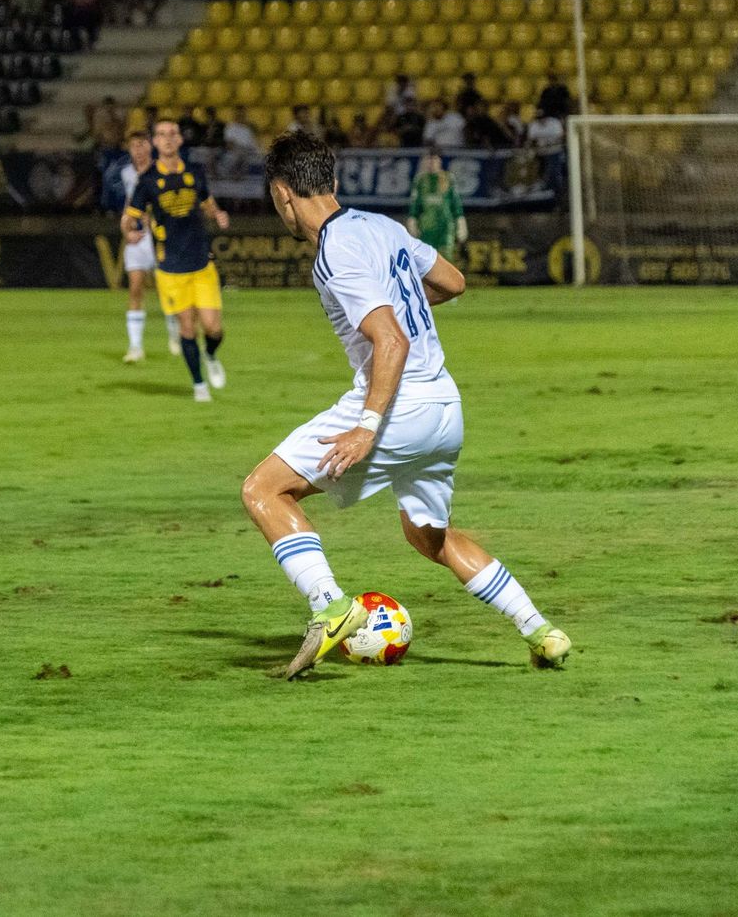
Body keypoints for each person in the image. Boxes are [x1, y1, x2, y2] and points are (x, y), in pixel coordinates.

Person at [243, 130, 571, 678]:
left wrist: (367, 426)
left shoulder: (334, 250)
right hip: (444, 407)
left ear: (282, 194)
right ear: (333, 181)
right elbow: (453, 281)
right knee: (429, 537)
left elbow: (390, 340)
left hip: (398, 407)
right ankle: (541, 630)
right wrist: (402, 305)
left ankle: (330, 606)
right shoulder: (382, 226)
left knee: (263, 490)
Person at [122, 119, 230, 402]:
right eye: (161, 134)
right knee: (187, 327)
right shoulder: (147, 181)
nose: (168, 138)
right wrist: (129, 232)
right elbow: (129, 217)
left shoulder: (195, 172)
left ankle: (210, 355)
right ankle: (199, 385)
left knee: (213, 328)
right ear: (155, 142)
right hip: (170, 268)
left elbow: (207, 202)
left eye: (173, 134)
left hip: (201, 263)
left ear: (180, 140)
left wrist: (217, 214)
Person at [102, 128, 181, 363]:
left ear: (150, 146)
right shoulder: (126, 174)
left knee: (166, 289)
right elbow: (127, 207)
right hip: (137, 238)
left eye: (142, 145)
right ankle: (135, 347)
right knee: (135, 288)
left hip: (160, 236)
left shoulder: (161, 171)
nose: (138, 150)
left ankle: (175, 335)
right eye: (134, 146)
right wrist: (127, 231)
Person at [407, 149, 467, 266]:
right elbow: (415, 204)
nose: (431, 162)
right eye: (428, 159)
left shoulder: (448, 178)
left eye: (434, 159)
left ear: (439, 161)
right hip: (426, 229)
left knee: (446, 259)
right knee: (426, 262)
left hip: (445, 227)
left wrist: (461, 222)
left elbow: (455, 203)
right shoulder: (420, 180)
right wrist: (412, 221)